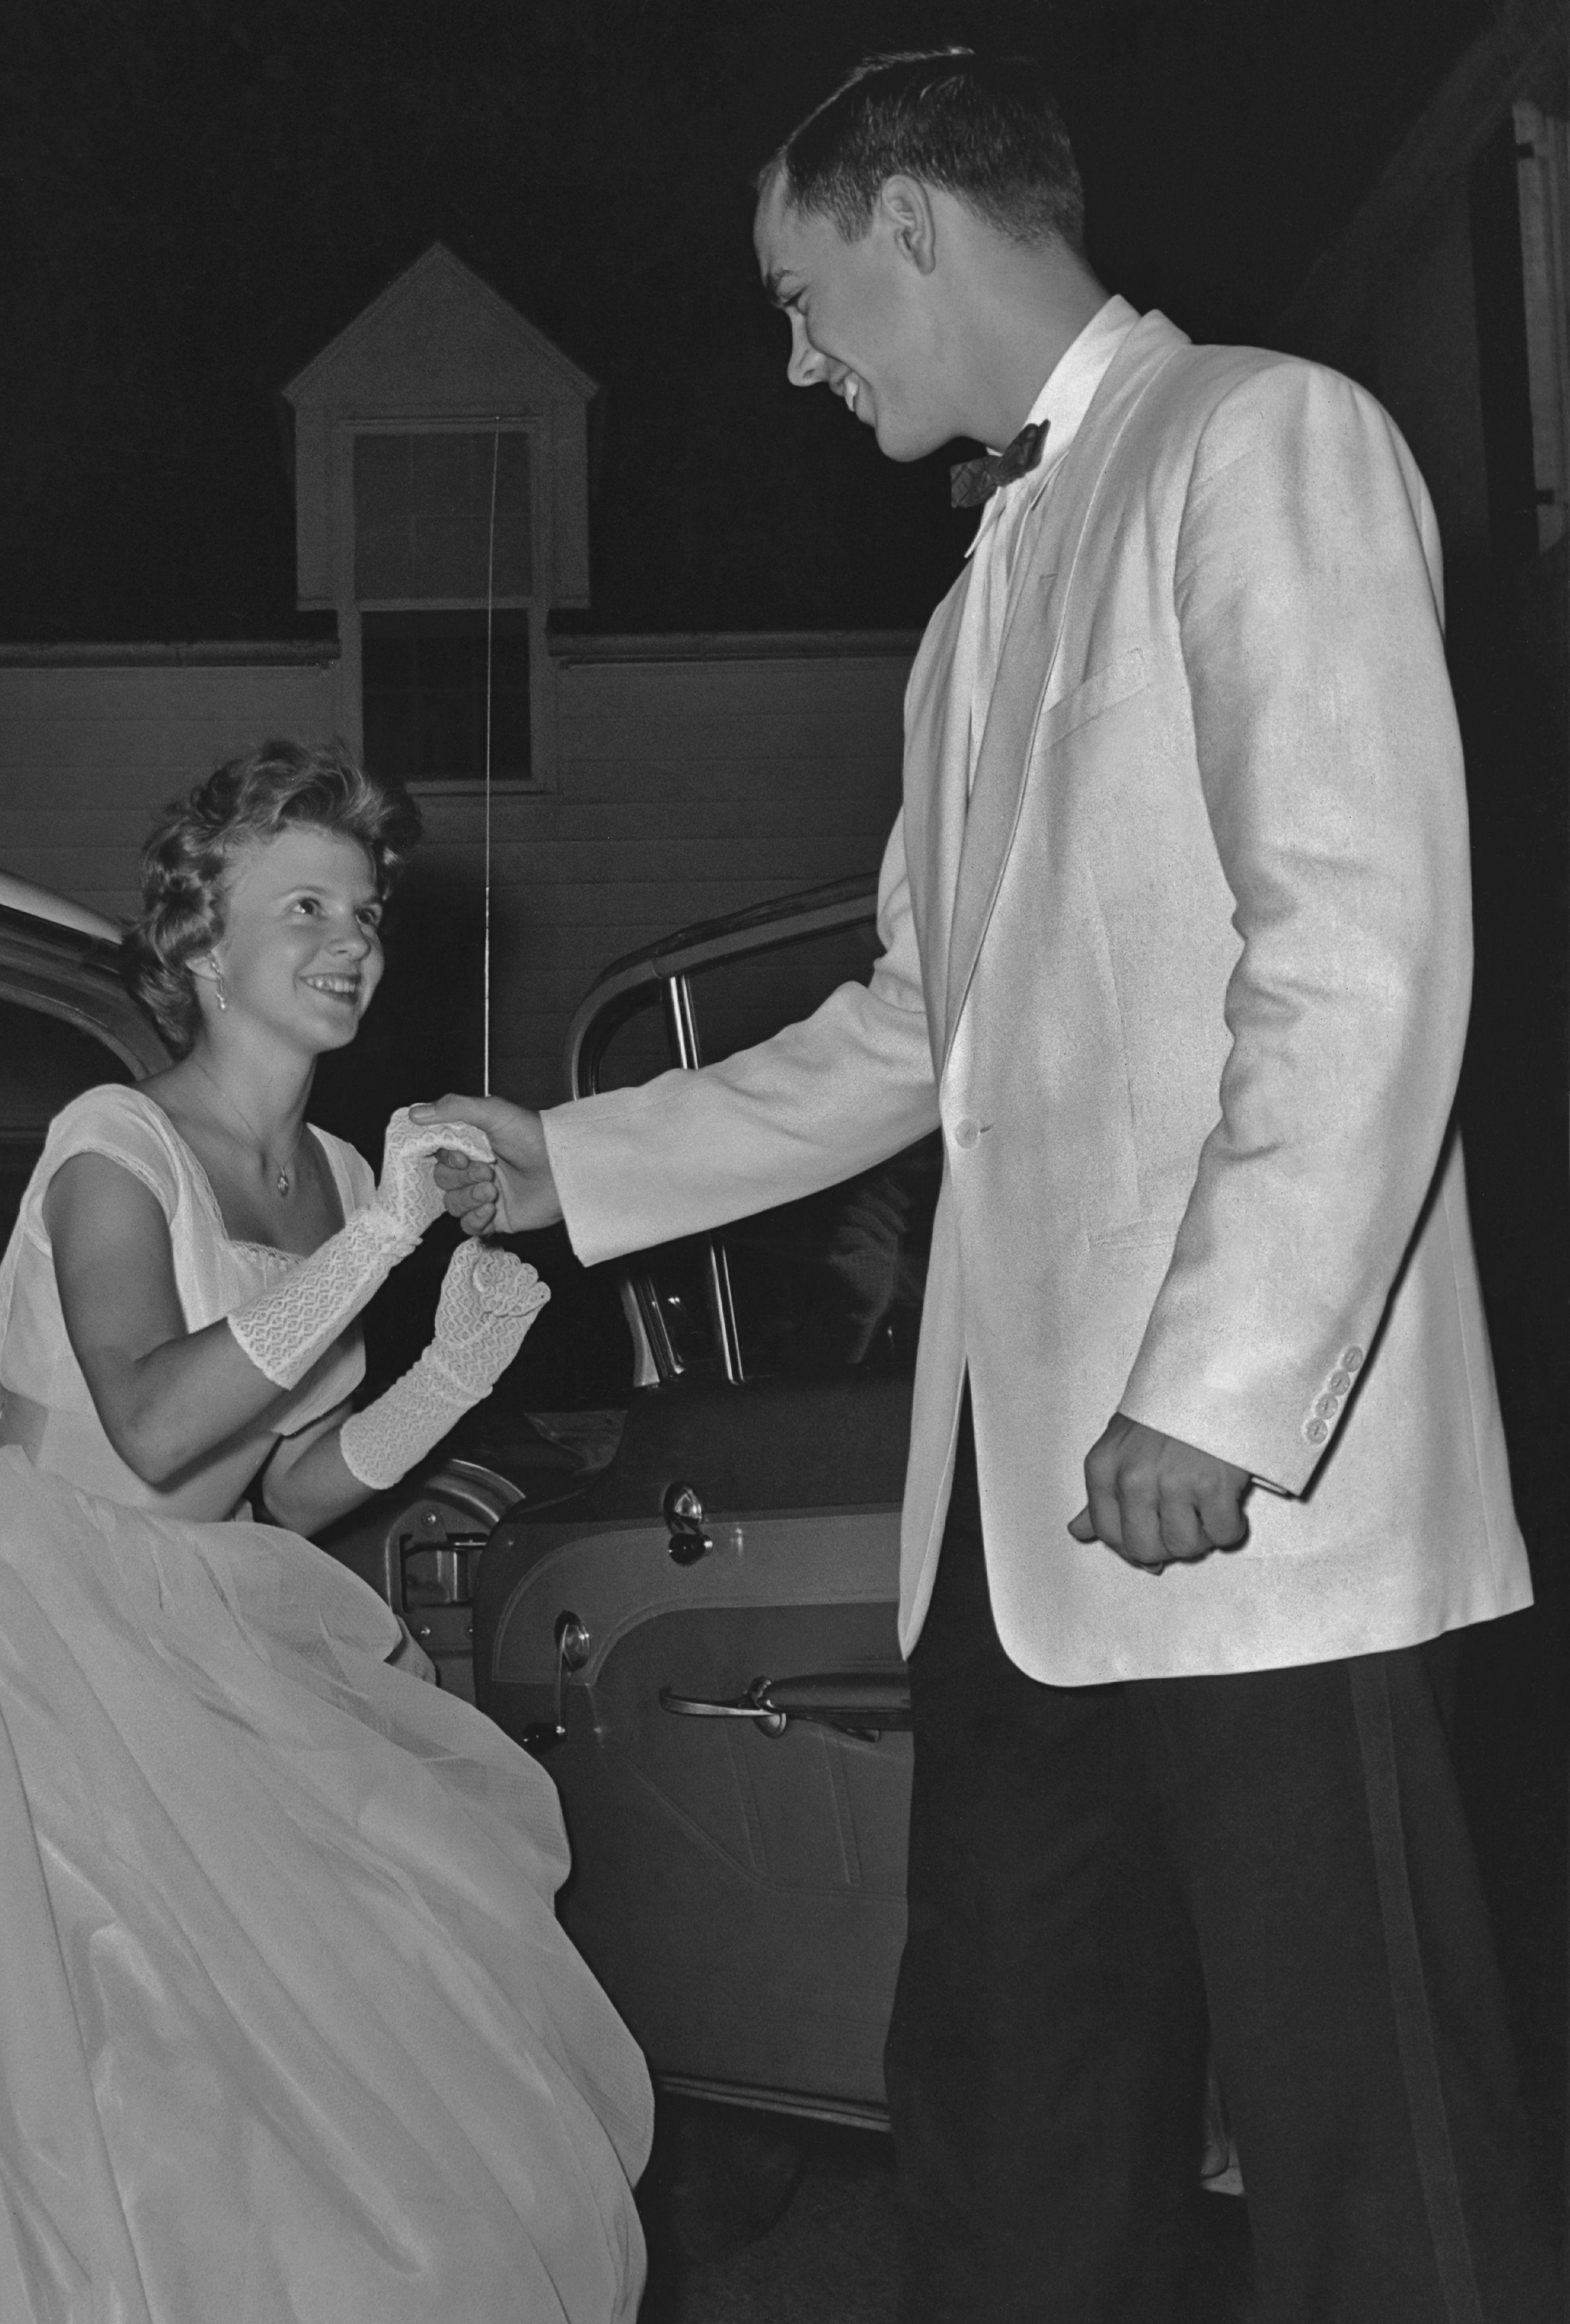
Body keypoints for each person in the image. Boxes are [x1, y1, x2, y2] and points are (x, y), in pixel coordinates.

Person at [421, 49, 1560, 2324]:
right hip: (1015, 1522)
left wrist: (1226, 1388)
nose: (795, 351)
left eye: (802, 288)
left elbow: (1363, 939)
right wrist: (580, 1160)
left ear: (916, 220)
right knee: (1011, 2108)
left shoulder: (1261, 440)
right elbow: (914, 1032)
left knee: (1371, 2150)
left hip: (1256, 1516)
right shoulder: (965, 622)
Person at [0, 739, 650, 2323]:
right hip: (50, 1628)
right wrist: (379, 1251)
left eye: (363, 910)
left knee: (387, 2055)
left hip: (216, 1621)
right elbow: (157, 1422)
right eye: (301, 906)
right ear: (199, 945)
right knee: (158, 2082)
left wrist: (453, 1366)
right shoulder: (117, 1140)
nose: (350, 941)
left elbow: (290, 1487)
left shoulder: (346, 1170)